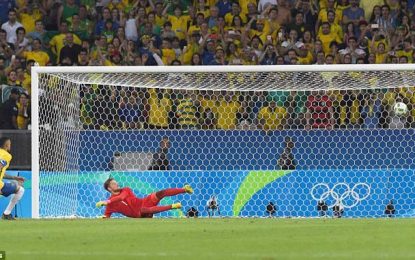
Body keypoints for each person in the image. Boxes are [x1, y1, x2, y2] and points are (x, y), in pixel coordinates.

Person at [96, 178, 193, 218]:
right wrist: (102, 217)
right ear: (109, 188)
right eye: (113, 183)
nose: (116, 183)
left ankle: (184, 190)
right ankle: (172, 206)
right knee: (144, 210)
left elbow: (121, 197)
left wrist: (107, 201)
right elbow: (106, 216)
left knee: (160, 193)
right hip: (139, 214)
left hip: (144, 201)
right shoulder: (110, 205)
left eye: (116, 182)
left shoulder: (125, 189)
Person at [0, 137, 25, 220]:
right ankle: (6, 213)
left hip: (1, 184)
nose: (10, 145)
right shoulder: (6, 155)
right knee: (20, 190)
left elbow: (2, 172)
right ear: (6, 145)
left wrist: (14, 177)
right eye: (10, 144)